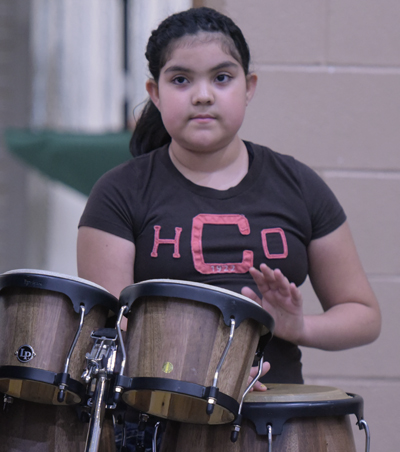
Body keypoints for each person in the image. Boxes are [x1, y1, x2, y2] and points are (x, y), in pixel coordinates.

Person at [77, 1, 380, 411]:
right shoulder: (118, 192)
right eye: (181, 79)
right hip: (158, 417)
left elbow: (363, 315)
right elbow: (111, 325)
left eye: (221, 78)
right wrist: (207, 374)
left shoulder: (299, 185)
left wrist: (298, 326)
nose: (203, 96)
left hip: (272, 422)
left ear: (249, 86)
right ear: (155, 93)